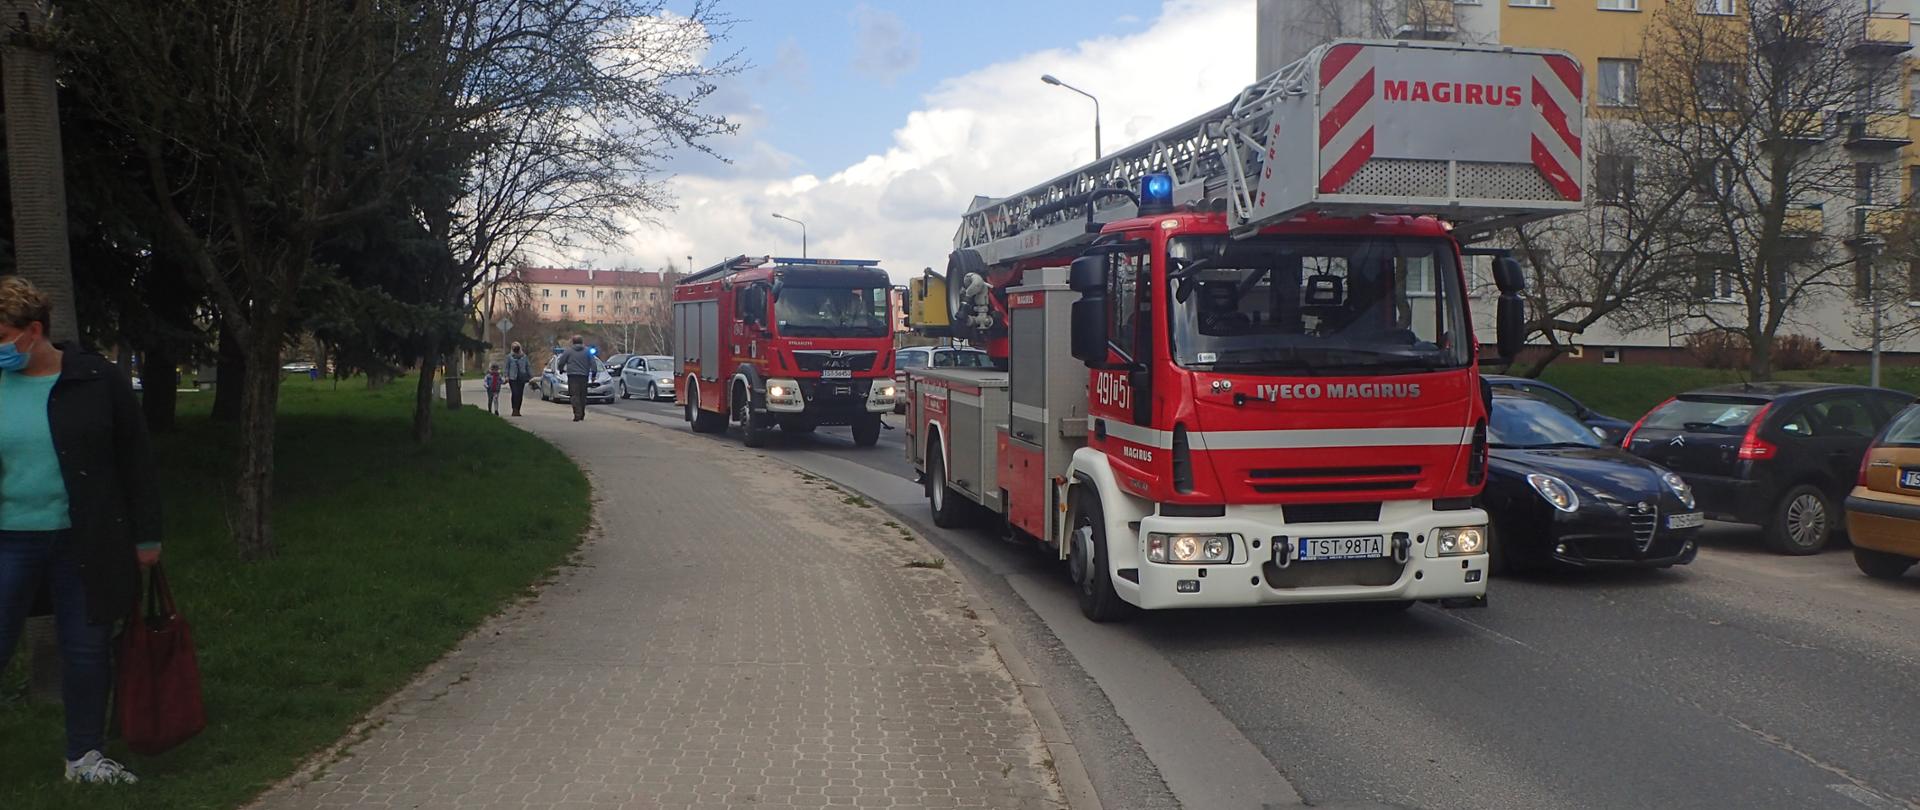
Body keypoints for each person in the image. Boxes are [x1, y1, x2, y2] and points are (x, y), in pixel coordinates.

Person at [0, 276, 160, 785]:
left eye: (2, 337)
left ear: (34, 331)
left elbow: (135, 459)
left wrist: (147, 537)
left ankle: (84, 758)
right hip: (10, 540)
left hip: (83, 540)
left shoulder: (95, 379)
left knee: (86, 648)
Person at [556, 335, 596, 421]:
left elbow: (561, 361)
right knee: (583, 395)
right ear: (582, 342)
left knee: (574, 395)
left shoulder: (568, 351)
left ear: (573, 342)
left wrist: (561, 369)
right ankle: (582, 412)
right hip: (584, 376)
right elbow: (593, 363)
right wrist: (593, 374)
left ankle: (577, 413)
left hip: (572, 376)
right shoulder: (587, 351)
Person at [505, 342, 532, 417]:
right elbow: (507, 367)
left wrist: (531, 377)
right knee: (515, 393)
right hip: (512, 378)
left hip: (522, 377)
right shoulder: (509, 357)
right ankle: (514, 409)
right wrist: (506, 376)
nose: (516, 349)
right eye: (514, 347)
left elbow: (528, 366)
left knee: (520, 394)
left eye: (517, 347)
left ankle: (518, 410)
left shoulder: (524, 357)